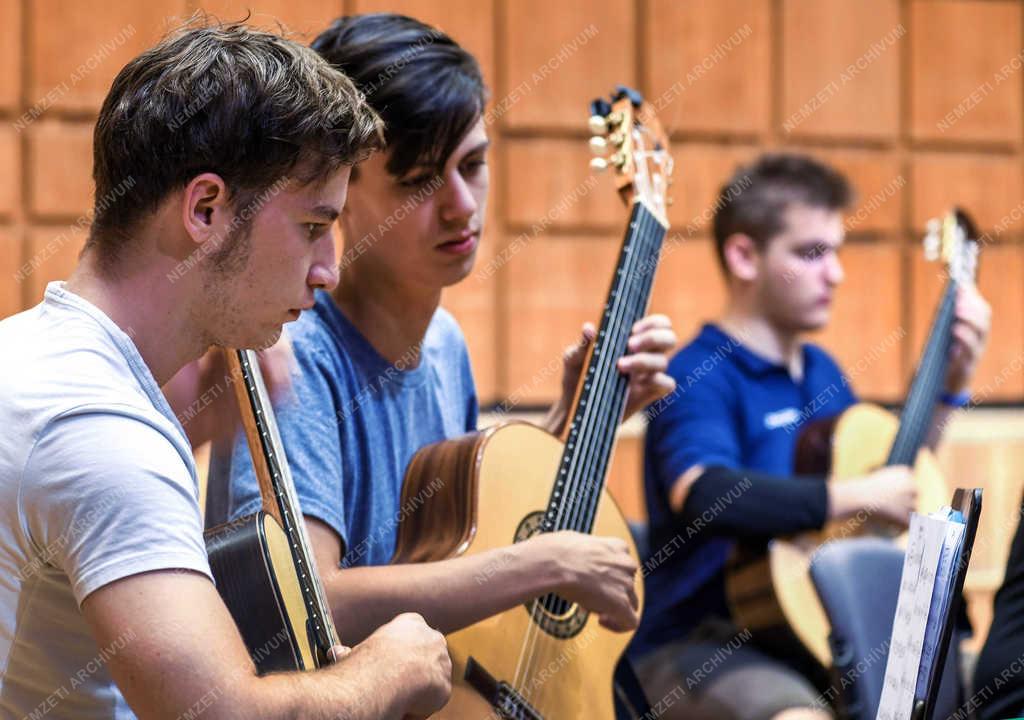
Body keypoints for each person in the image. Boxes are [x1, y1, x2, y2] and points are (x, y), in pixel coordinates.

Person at [0, 22, 452, 720]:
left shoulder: (30, 355)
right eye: (312, 226)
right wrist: (388, 671)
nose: (329, 268)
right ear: (206, 209)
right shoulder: (101, 430)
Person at [222, 11, 676, 667]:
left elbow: (456, 535)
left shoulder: (443, 342)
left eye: (474, 164)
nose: (461, 204)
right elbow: (311, 602)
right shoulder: (300, 359)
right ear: (340, 194)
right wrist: (539, 564)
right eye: (420, 181)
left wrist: (579, 417)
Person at [630, 153, 991, 720]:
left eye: (836, 252)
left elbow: (889, 486)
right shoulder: (697, 375)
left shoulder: (824, 372)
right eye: (811, 253)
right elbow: (702, 491)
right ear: (744, 255)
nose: (837, 273)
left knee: (979, 689)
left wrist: (949, 390)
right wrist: (857, 495)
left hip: (810, 632)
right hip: (703, 645)